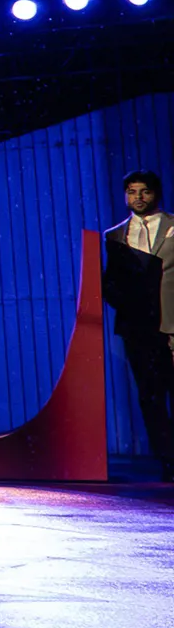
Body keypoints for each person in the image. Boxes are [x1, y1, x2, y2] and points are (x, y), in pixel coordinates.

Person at [110, 172, 172, 470]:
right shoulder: (115, 236)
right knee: (150, 395)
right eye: (132, 192)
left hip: (172, 323)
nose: (138, 197)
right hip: (139, 329)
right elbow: (111, 283)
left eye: (144, 191)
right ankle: (168, 462)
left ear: (156, 193)